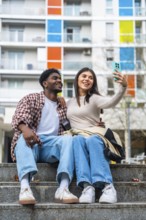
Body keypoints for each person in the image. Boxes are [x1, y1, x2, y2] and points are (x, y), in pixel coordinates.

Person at [11, 68, 79, 205]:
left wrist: (96, 123)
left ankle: (63, 188)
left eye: (60, 78)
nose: (59, 80)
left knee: (69, 139)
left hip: (51, 147)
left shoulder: (63, 106)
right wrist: (25, 129)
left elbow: (75, 123)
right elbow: (19, 117)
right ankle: (25, 188)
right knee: (23, 137)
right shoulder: (32, 98)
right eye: (55, 78)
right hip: (32, 143)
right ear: (45, 83)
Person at [67, 67, 127, 204]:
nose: (87, 79)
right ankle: (87, 188)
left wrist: (123, 86)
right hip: (79, 138)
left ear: (93, 82)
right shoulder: (69, 102)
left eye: (90, 77)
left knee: (93, 140)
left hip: (95, 137)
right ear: (77, 79)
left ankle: (108, 187)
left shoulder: (94, 98)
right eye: (84, 76)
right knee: (76, 140)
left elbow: (112, 101)